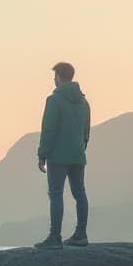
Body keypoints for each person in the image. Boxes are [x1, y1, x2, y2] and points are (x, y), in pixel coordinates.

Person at [35, 62, 90, 248]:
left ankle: (54, 237)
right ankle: (81, 234)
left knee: (56, 194)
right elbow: (86, 132)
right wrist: (81, 148)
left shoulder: (54, 100)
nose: (53, 80)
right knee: (79, 193)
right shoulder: (84, 102)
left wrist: (42, 154)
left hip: (58, 156)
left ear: (59, 77)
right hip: (78, 155)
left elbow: (49, 130)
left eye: (55, 76)